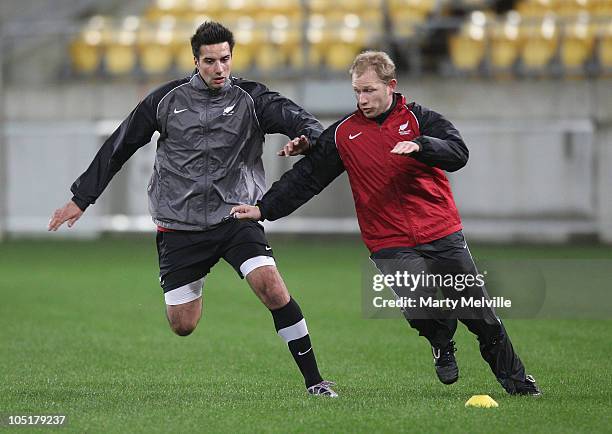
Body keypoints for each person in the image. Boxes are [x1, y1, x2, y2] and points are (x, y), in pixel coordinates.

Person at [47, 21, 337, 398]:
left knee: (271, 287)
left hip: (236, 216)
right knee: (183, 325)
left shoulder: (253, 99)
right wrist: (81, 198)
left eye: (225, 60)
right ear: (196, 61)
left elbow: (300, 119)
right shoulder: (166, 100)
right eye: (210, 61)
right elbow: (119, 145)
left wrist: (309, 140)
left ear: (233, 57)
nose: (219, 68)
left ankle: (315, 382)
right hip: (179, 225)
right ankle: (193, 280)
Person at [230, 51, 541, 396]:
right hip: (387, 239)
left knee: (480, 316)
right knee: (419, 306)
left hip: (440, 231)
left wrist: (422, 146)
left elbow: (458, 152)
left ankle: (518, 384)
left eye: (369, 91)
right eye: (357, 92)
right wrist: (264, 209)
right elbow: (307, 178)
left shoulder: (421, 119)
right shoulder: (344, 134)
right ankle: (441, 339)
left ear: (391, 86)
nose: (362, 100)